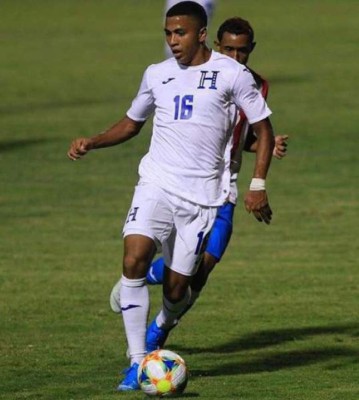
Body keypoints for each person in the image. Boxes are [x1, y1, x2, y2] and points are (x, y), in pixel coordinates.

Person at [68, 2, 274, 392]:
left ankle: (162, 322)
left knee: (181, 288)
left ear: (200, 34)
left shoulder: (233, 75)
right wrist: (93, 141)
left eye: (179, 33)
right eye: (167, 33)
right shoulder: (156, 74)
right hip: (156, 184)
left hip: (203, 199)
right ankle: (137, 361)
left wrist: (258, 185)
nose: (172, 41)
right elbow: (132, 123)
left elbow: (262, 128)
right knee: (133, 256)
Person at [110, 16, 288, 353]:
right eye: (229, 49)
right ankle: (142, 285)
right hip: (186, 182)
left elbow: (242, 136)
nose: (236, 57)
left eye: (243, 51)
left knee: (201, 272)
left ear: (252, 50)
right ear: (216, 45)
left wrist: (267, 146)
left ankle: (159, 323)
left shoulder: (255, 84)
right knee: (177, 268)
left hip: (225, 190)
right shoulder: (194, 76)